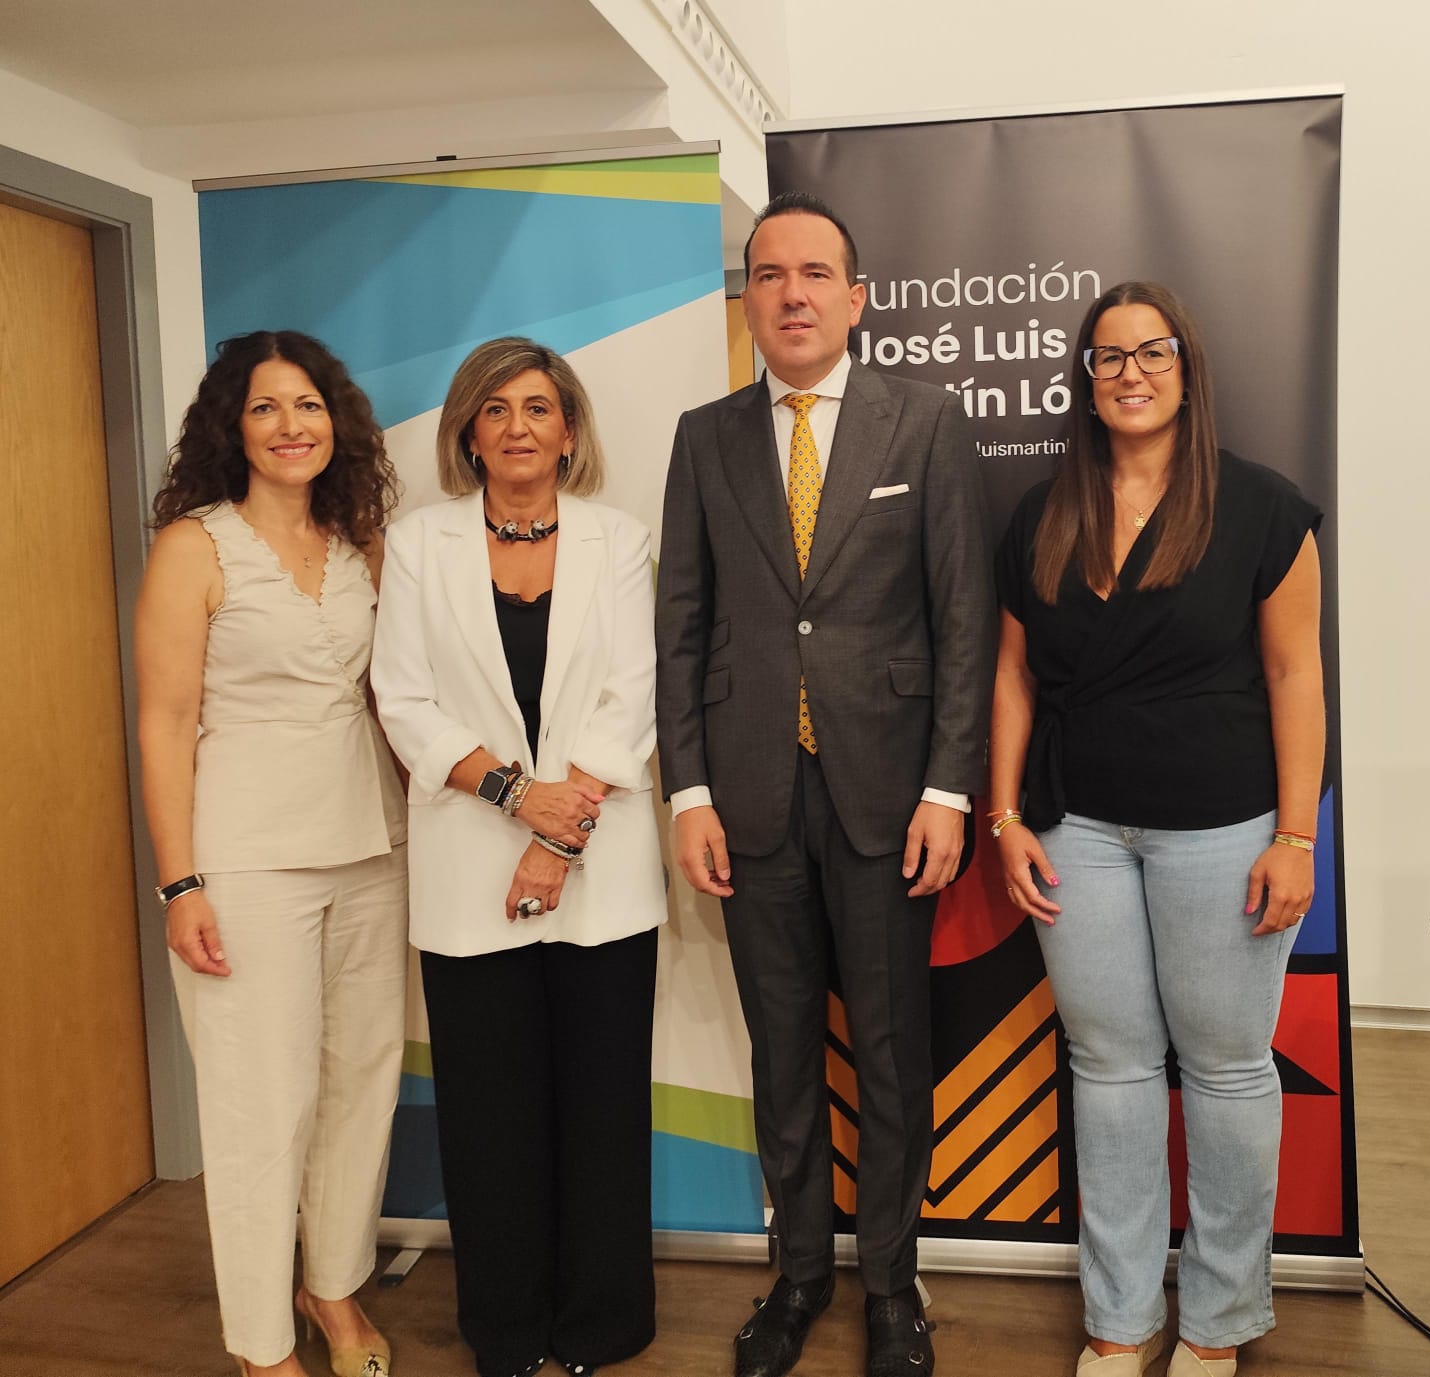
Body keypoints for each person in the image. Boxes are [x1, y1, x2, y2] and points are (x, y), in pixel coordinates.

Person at [655, 192, 996, 1377]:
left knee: (894, 1053)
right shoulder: (704, 437)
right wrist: (685, 793)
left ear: (856, 298)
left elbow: (964, 620)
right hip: (747, 802)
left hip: (891, 799)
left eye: (814, 274)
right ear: (747, 299)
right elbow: (681, 627)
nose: (791, 294)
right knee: (782, 1052)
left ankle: (892, 1286)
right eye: (767, 275)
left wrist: (950, 791)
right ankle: (800, 1276)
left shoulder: (924, 424)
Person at [990, 282, 1324, 1377]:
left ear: (1187, 370)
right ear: (1083, 382)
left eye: (1151, 352)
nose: (1128, 372)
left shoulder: (1263, 508)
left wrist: (1295, 837)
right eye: (1106, 357)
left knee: (1226, 1071)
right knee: (1112, 1067)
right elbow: (1010, 677)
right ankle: (1118, 1319)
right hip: (1073, 827)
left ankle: (1219, 1324)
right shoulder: (1041, 513)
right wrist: (1002, 817)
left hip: (1225, 830)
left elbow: (1294, 675)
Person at [370, 337, 665, 1377]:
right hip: (464, 869)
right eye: (494, 410)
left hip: (602, 873)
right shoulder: (417, 545)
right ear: (468, 433)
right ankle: (503, 1329)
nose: (518, 427)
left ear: (570, 429)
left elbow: (636, 695)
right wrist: (511, 794)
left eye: (537, 407)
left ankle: (602, 1324)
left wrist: (552, 836)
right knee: (491, 1117)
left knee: (600, 1106)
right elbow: (402, 698)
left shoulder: (619, 540)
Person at [135, 331, 407, 1377]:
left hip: (372, 845)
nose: (291, 425)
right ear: (230, 428)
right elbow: (163, 723)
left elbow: (391, 701)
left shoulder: (359, 541)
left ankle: (331, 1286)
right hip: (242, 863)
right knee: (262, 1106)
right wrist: (180, 881)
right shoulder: (194, 547)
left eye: (307, 405)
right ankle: (259, 1345)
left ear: (333, 422)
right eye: (265, 408)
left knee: (359, 1080)